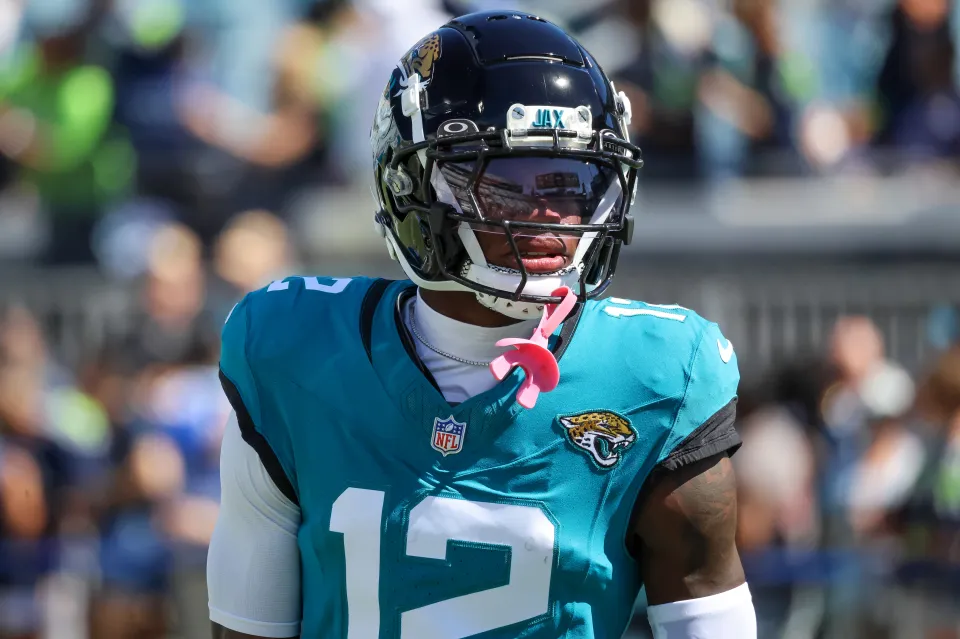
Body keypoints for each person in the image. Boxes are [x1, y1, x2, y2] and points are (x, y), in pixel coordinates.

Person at [206, 10, 756, 639]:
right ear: (412, 185)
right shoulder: (294, 353)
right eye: (511, 182)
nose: (551, 214)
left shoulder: (658, 374)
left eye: (575, 180)